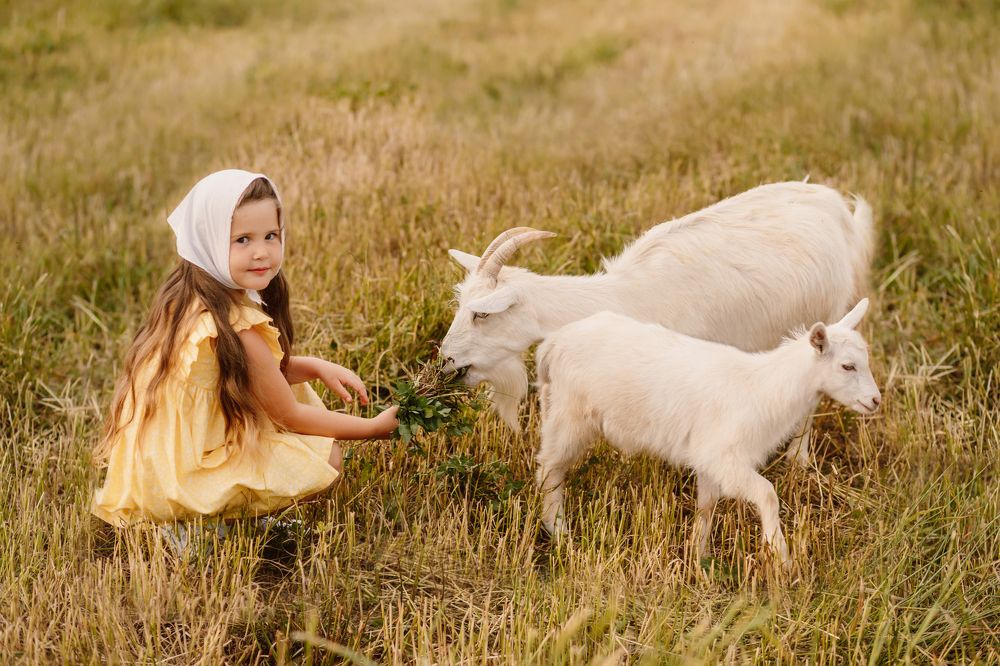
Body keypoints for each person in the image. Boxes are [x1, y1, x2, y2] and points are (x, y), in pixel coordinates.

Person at [92, 169, 398, 525]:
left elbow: (252, 373)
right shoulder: (237, 326)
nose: (261, 252)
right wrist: (374, 428)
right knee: (326, 456)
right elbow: (290, 415)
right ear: (208, 241)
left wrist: (314, 367)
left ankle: (204, 518)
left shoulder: (187, 298)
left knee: (294, 391)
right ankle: (206, 522)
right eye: (242, 240)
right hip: (185, 480)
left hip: (156, 469)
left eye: (271, 236)